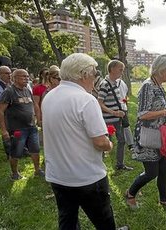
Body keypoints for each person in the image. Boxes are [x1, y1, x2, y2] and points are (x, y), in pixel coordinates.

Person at [42, 53, 126, 230]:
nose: (96, 78)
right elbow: (100, 142)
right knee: (104, 221)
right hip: (86, 177)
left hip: (57, 174)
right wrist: (109, 145)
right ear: (83, 74)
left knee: (67, 219)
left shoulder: (49, 96)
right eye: (95, 73)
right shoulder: (86, 100)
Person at [125, 54, 166, 209]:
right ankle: (130, 194)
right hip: (148, 135)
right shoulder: (148, 86)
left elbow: (164, 108)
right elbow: (142, 114)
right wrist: (165, 113)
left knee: (163, 169)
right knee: (151, 173)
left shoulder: (159, 87)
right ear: (162, 70)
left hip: (161, 135)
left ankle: (165, 200)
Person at [0, 69, 44, 180]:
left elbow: (34, 105)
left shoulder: (27, 90)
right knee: (16, 151)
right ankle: (14, 174)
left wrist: (38, 119)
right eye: (23, 76)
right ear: (15, 78)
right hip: (17, 129)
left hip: (31, 127)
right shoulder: (9, 92)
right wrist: (4, 130)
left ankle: (37, 170)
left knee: (35, 149)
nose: (26, 78)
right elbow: (0, 111)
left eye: (27, 76)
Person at [97, 60, 133, 171]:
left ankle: (120, 164)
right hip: (108, 120)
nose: (122, 72)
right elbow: (99, 103)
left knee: (122, 140)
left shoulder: (115, 83)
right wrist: (114, 112)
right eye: (120, 69)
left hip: (117, 119)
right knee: (105, 143)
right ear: (112, 69)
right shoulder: (104, 84)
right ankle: (99, 166)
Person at [115, 76, 136, 158]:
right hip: (123, 107)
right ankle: (130, 144)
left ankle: (129, 144)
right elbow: (126, 95)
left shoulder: (115, 82)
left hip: (118, 108)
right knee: (125, 126)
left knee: (122, 126)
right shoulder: (123, 83)